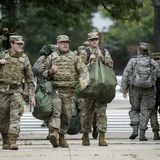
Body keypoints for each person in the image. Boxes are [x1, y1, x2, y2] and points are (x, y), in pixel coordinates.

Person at [42, 35, 89, 148]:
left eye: (67, 42)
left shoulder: (74, 57)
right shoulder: (51, 57)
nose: (65, 44)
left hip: (70, 92)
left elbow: (83, 70)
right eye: (62, 42)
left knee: (67, 116)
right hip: (56, 90)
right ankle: (54, 133)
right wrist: (50, 72)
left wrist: (86, 79)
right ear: (58, 44)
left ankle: (62, 136)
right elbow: (42, 73)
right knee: (56, 113)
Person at [0, 35, 35, 150]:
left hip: (17, 91)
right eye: (18, 44)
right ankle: (5, 139)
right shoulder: (2, 56)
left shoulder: (24, 59)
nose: (21, 46)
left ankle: (13, 140)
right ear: (12, 44)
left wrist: (32, 96)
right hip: (2, 91)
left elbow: (30, 79)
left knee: (15, 116)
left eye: (22, 44)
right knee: (3, 117)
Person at [78, 31, 113, 146]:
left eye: (96, 39)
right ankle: (85, 135)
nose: (94, 41)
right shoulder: (84, 52)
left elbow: (111, 65)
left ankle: (102, 137)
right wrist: (90, 62)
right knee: (86, 113)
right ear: (88, 41)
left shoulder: (104, 51)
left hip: (101, 87)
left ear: (98, 40)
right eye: (92, 40)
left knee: (101, 112)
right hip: (89, 87)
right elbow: (79, 68)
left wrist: (101, 57)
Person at [120, 42, 160, 141]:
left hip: (135, 89)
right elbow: (158, 74)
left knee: (134, 109)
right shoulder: (152, 61)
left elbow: (126, 74)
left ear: (139, 50)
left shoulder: (133, 61)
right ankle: (142, 134)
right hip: (149, 90)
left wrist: (124, 89)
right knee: (145, 111)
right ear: (148, 51)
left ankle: (134, 130)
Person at [150, 52, 160, 140]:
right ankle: (156, 132)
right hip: (153, 95)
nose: (157, 61)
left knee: (153, 114)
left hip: (152, 95)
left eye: (158, 59)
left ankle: (156, 132)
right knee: (153, 114)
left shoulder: (149, 69)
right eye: (156, 59)